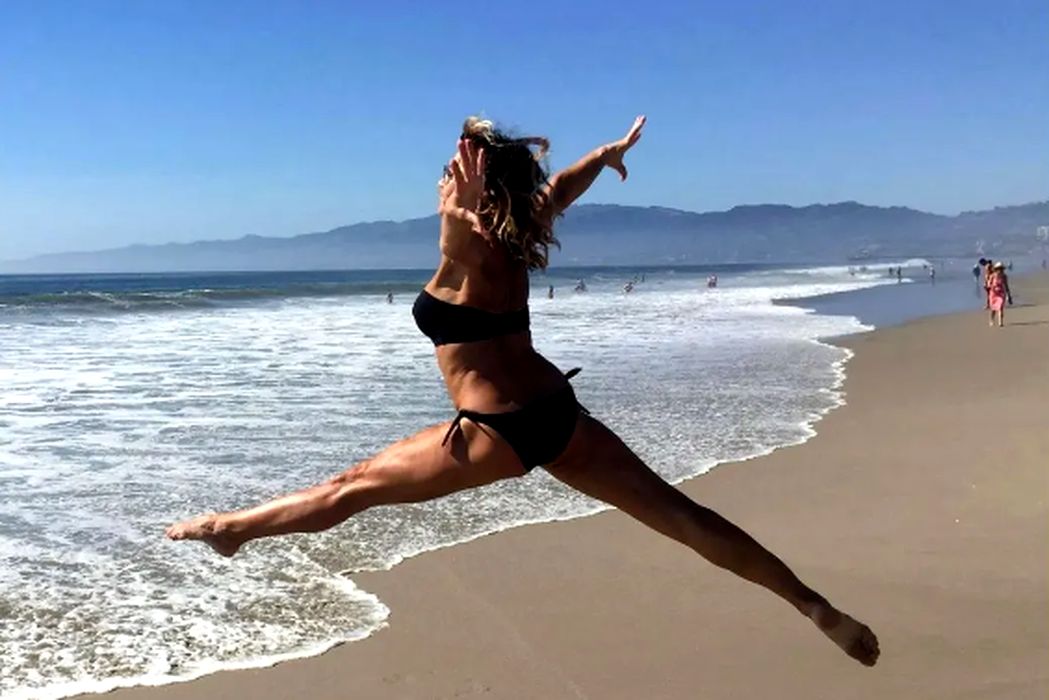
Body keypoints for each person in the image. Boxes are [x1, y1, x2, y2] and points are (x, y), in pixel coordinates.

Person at [166, 115, 879, 667]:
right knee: (681, 516)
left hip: (494, 433)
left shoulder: (467, 240)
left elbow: (458, 236)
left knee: (349, 487)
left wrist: (457, 207)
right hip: (558, 416)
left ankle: (231, 530)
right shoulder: (520, 228)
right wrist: (605, 156)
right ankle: (813, 607)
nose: (445, 179)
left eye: (454, 170)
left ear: (477, 184)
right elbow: (562, 186)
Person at [986, 261, 1012, 327]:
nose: (1001, 270)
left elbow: (1006, 286)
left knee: (1000, 307)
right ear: (996, 269)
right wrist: (991, 287)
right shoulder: (992, 276)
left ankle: (1000, 322)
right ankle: (991, 320)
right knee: (993, 309)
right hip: (993, 294)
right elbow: (989, 284)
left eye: (1002, 269)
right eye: (999, 269)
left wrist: (1009, 295)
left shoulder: (1004, 276)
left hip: (1001, 293)